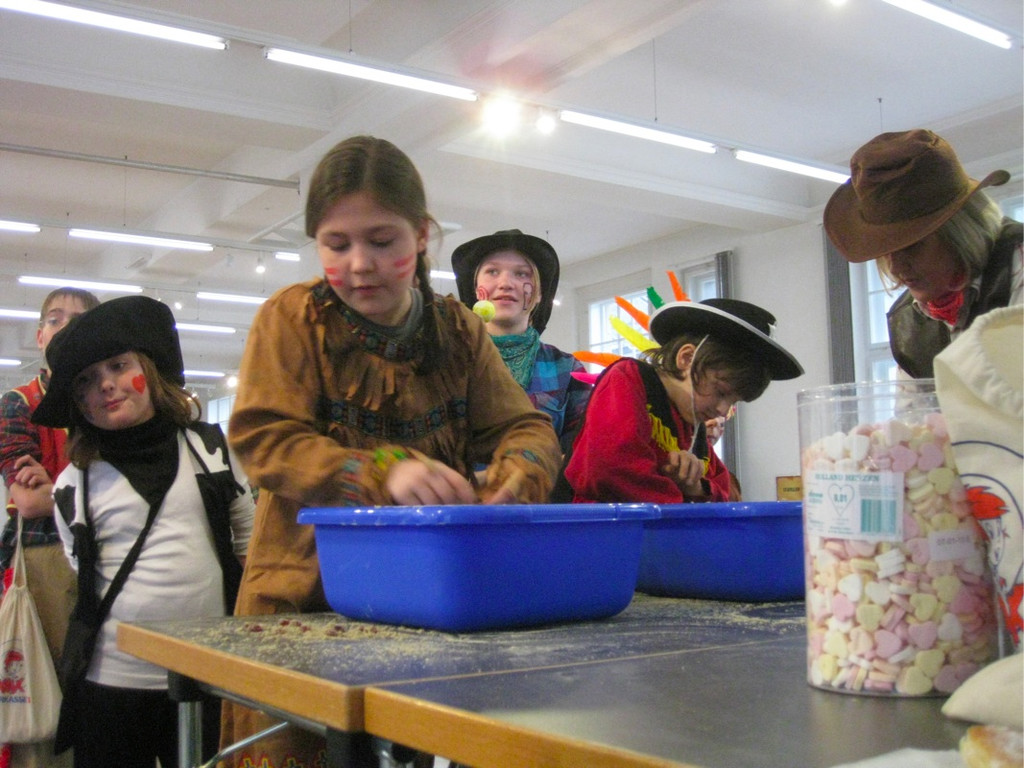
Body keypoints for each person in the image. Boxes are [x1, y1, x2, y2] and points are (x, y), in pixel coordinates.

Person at [221, 135, 561, 768]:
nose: (360, 264)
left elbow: (527, 429)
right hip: (300, 602)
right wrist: (384, 472)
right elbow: (265, 439)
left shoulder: (459, 331)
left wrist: (513, 481)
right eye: (336, 244)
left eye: (382, 241)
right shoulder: (291, 320)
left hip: (424, 607)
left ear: (422, 235)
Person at [30, 295, 255, 768]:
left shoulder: (210, 451)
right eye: (87, 380)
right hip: (111, 684)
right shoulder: (74, 483)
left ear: (148, 371)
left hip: (206, 674)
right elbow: (81, 567)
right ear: (77, 402)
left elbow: (248, 545)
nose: (106, 385)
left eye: (118, 366)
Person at [824, 128, 1022, 379]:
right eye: (887, 252)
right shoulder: (910, 322)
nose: (895, 268)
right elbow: (914, 404)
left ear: (958, 233)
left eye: (911, 246)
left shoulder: (1018, 267)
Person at [562, 298, 802, 503]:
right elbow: (609, 469)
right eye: (720, 392)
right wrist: (683, 497)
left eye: (733, 401)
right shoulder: (628, 379)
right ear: (686, 358)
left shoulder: (693, 424)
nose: (722, 410)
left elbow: (727, 492)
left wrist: (695, 486)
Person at [1, 287, 98, 768]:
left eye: (78, 320)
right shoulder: (18, 403)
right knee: (46, 687)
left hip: (106, 561)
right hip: (44, 562)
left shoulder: (104, 401)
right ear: (40, 336)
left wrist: (55, 486)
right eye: (55, 319)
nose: (64, 328)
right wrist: (96, 490)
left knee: (99, 688)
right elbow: (27, 501)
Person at [451, 229, 590, 454]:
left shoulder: (566, 369)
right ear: (476, 289)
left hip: (543, 477)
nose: (505, 283)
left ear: (539, 294)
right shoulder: (447, 362)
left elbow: (583, 453)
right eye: (492, 271)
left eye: (522, 274)